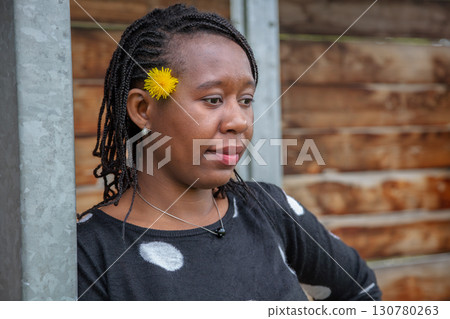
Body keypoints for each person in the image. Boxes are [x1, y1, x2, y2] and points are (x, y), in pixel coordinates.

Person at [77, 4, 382, 301]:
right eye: (212, 99)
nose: (239, 120)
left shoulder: (268, 211)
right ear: (143, 109)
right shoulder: (88, 252)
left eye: (246, 100)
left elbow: (360, 290)